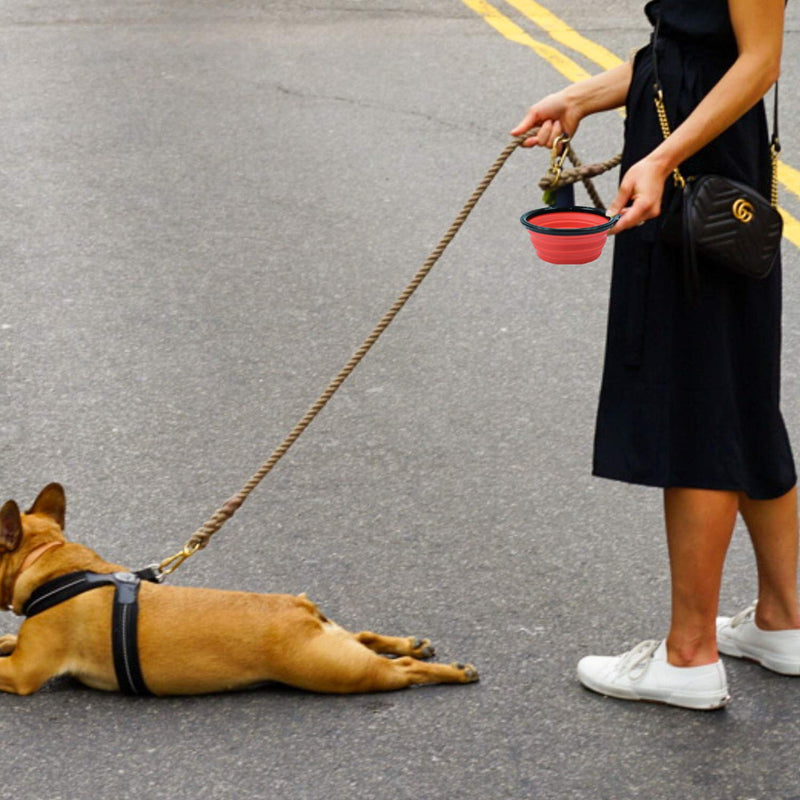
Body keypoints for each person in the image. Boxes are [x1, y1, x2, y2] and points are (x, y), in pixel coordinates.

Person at [511, 0, 800, 710]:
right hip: (691, 147)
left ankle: (689, 654)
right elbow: (685, 46)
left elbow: (758, 61)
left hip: (698, 165)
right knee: (736, 389)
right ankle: (784, 619)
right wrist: (581, 97)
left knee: (699, 391)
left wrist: (662, 155)